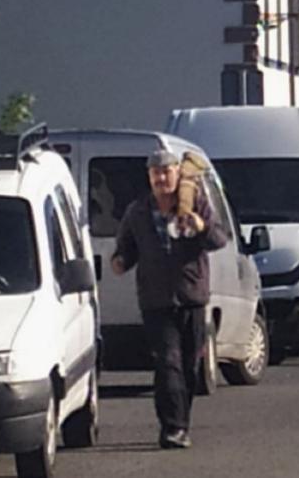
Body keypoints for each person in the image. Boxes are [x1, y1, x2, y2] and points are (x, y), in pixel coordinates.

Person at [112, 149, 227, 450]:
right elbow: (125, 248)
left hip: (191, 297)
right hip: (155, 301)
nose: (162, 178)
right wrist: (120, 261)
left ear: (177, 172)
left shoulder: (195, 202)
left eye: (167, 171)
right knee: (168, 363)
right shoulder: (137, 211)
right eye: (156, 173)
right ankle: (172, 428)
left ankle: (181, 422)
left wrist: (200, 225)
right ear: (149, 177)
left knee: (189, 366)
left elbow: (219, 239)